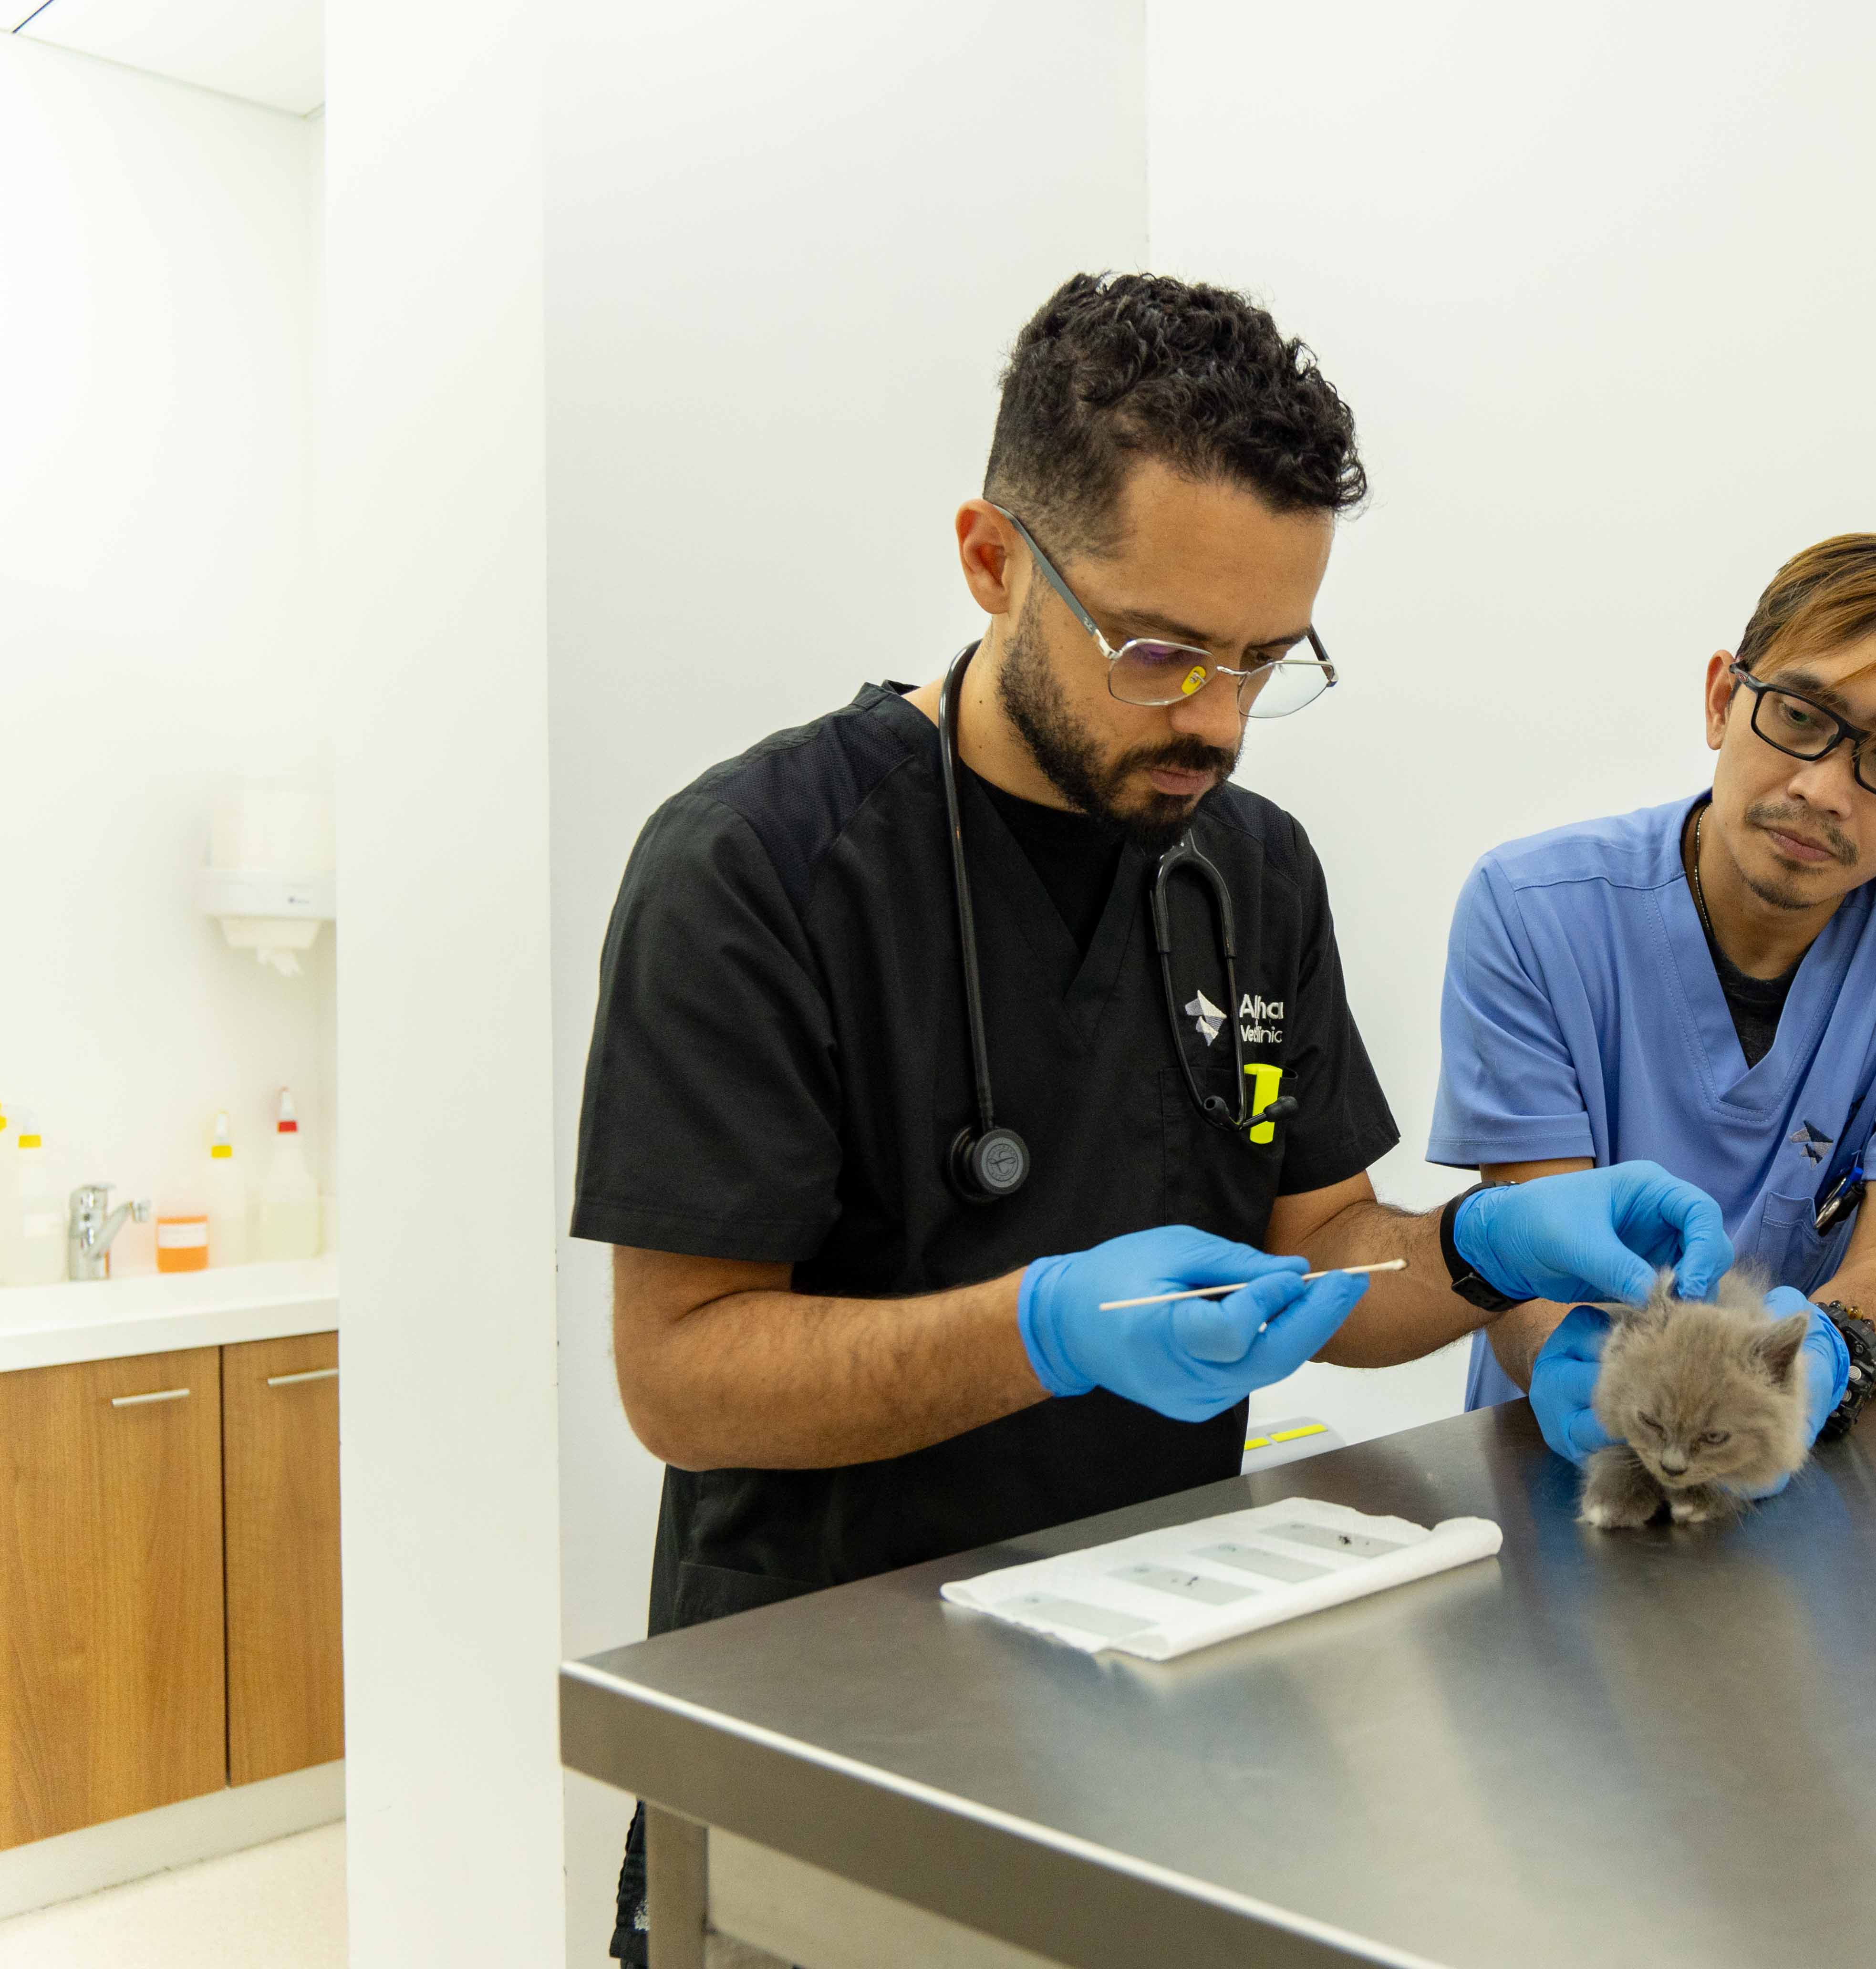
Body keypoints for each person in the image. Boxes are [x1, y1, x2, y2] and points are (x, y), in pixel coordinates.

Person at [570, 272, 1731, 1966]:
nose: (1218, 718)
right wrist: (1045, 1327)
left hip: (1163, 1681)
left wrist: (1475, 1250)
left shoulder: (1249, 863)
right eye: (1160, 648)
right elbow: (678, 1375)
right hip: (826, 1715)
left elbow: (1326, 1246)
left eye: (1269, 658)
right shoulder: (758, 866)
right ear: (990, 558)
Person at [1430, 533, 1876, 1468]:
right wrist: (1591, 1374)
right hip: (1551, 1471)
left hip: (1789, 1453)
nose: (1824, 790)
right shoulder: (1531, 911)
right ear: (1724, 699)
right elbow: (1529, 1264)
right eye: (1803, 716)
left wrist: (1833, 1352)